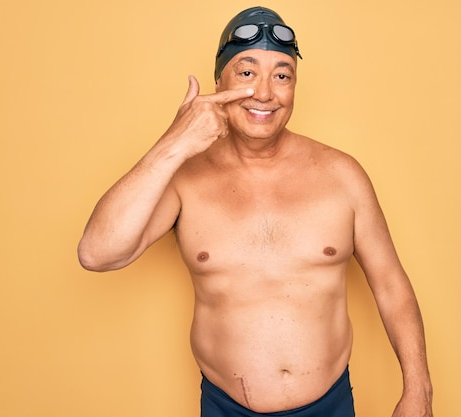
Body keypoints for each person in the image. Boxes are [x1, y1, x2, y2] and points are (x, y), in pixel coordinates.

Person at [78, 6, 433, 417]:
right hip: (226, 407)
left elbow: (390, 285)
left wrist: (418, 389)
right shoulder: (184, 178)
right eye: (247, 73)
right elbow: (97, 253)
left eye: (282, 75)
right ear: (219, 80)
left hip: (330, 406)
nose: (265, 92)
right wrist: (174, 142)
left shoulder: (342, 175)